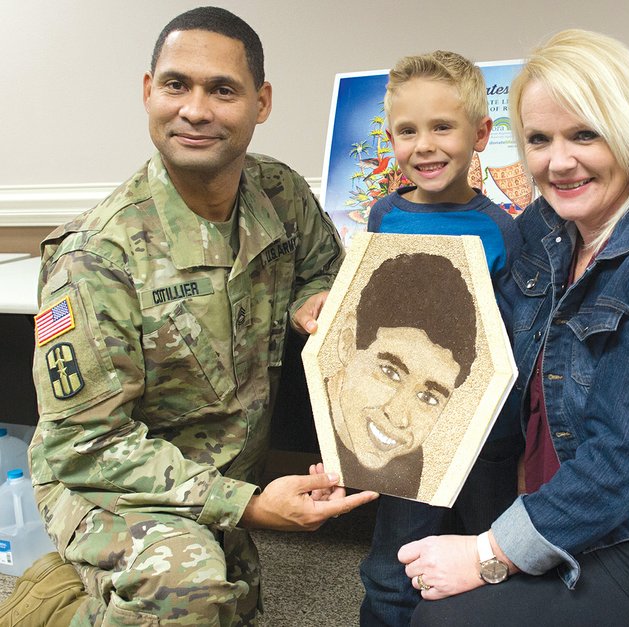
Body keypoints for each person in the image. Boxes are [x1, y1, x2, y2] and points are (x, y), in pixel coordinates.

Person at [0, 7, 376, 626]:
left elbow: (325, 268)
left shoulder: (279, 194)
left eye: (222, 90)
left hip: (219, 473)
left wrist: (316, 299)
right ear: (148, 92)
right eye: (177, 85)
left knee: (230, 606)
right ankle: (53, 607)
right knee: (188, 592)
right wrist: (246, 505)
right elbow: (83, 446)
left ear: (262, 102)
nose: (196, 110)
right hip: (106, 484)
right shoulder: (97, 257)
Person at [398, 29, 629, 627]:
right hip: (570, 494)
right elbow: (477, 352)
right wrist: (368, 451)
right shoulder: (544, 229)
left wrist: (487, 554)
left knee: (444, 621)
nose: (558, 161)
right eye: (539, 139)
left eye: (584, 134)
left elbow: (625, 459)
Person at [360, 50, 523, 625]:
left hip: (486, 433)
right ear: (391, 138)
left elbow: (514, 336)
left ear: (480, 133)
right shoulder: (384, 214)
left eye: (442, 127)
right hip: (413, 433)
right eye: (407, 130)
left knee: (486, 557)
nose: (423, 145)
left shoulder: (504, 229)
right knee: (394, 564)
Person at [326, 252, 477, 499]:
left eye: (428, 398)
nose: (398, 417)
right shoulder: (301, 427)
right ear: (346, 343)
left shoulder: (413, 467)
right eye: (389, 372)